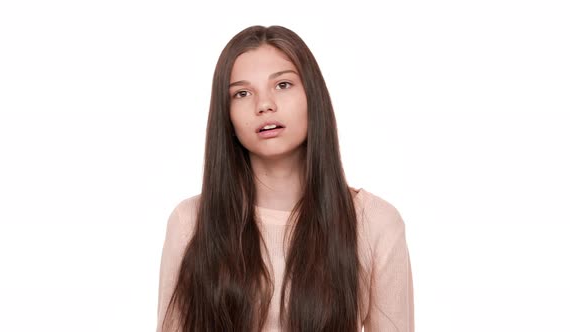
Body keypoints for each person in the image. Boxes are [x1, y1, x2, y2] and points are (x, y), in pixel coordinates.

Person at [156, 25, 414, 332]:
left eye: (282, 85)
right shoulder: (190, 222)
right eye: (242, 93)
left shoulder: (375, 223)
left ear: (312, 96)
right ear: (227, 115)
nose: (264, 105)